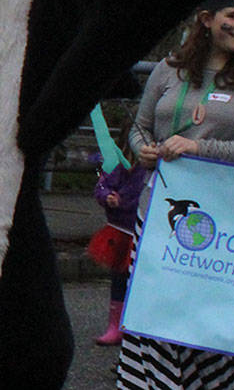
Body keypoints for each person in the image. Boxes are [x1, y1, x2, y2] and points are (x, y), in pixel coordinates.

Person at [116, 0, 234, 388]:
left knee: (206, 334)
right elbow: (137, 128)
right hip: (155, 223)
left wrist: (199, 149)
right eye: (233, 15)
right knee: (153, 329)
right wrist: (144, 150)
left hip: (217, 233)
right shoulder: (167, 71)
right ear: (206, 18)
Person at [87, 136, 147, 346]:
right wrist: (108, 197)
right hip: (121, 230)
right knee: (119, 278)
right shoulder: (118, 164)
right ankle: (115, 326)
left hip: (145, 229)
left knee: (141, 281)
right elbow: (101, 186)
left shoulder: (152, 166)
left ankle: (135, 328)